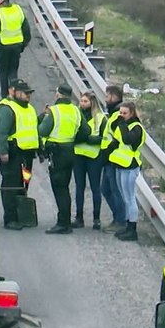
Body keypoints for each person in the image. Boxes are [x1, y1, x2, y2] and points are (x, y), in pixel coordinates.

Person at [0, 79, 38, 229]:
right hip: (13, 154)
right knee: (11, 186)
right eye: (25, 93)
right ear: (12, 91)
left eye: (29, 93)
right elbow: (1, 133)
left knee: (23, 184)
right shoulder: (7, 109)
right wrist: (3, 152)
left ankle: (20, 215)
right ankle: (10, 218)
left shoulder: (29, 108)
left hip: (27, 154)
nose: (28, 96)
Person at [37, 84, 81, 234]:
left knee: (59, 188)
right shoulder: (76, 110)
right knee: (65, 187)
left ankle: (63, 223)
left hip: (57, 152)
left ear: (58, 95)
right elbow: (85, 131)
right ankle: (65, 221)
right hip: (70, 151)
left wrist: (44, 116)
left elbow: (42, 130)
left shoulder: (54, 111)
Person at [105, 101, 145, 241]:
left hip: (130, 166)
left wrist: (121, 124)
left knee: (130, 197)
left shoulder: (136, 127)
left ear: (132, 113)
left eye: (124, 113)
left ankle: (132, 229)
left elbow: (128, 141)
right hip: (120, 165)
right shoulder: (123, 125)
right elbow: (116, 142)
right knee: (124, 197)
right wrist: (104, 153)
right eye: (120, 113)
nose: (121, 116)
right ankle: (128, 226)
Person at [71, 91, 107, 229]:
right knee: (79, 187)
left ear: (92, 102)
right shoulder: (76, 116)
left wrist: (89, 139)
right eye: (81, 101)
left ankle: (96, 219)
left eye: (85, 101)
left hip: (94, 157)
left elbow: (104, 138)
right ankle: (79, 217)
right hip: (78, 155)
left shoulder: (100, 118)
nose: (83, 103)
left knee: (95, 188)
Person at [0, 0, 31, 97]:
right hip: (17, 46)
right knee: (13, 71)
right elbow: (26, 30)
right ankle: (15, 92)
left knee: (3, 72)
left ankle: (5, 95)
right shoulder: (18, 10)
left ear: (1, 1)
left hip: (4, 46)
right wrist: (23, 45)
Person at [98, 84, 126, 229]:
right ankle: (118, 218)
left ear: (114, 97)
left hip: (113, 159)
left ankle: (120, 220)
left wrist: (107, 153)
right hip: (108, 159)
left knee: (114, 191)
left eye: (107, 96)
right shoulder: (112, 113)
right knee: (106, 189)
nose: (106, 99)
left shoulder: (118, 115)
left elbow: (117, 139)